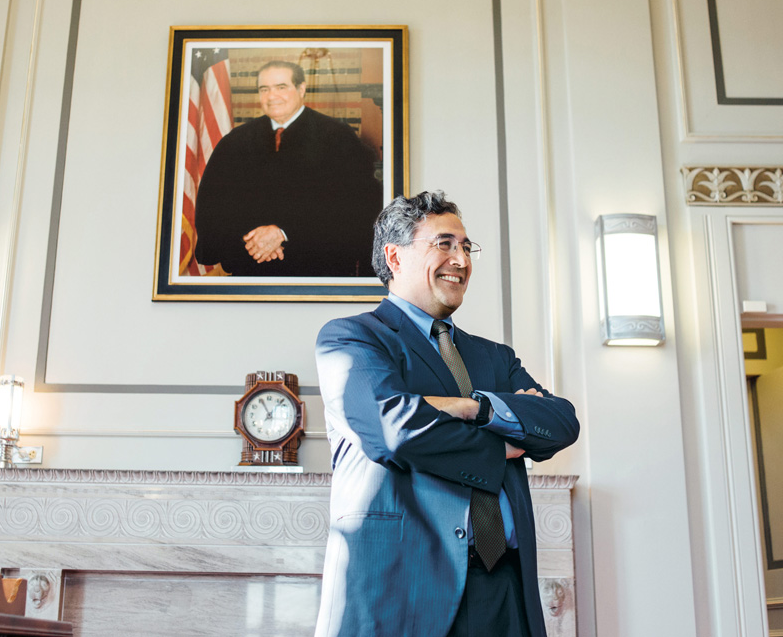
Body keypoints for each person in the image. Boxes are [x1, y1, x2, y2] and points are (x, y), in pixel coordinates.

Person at [314, 191, 580, 637]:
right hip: (401, 590)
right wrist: (504, 444)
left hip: (505, 588)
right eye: (444, 244)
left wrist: (473, 407)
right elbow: (394, 429)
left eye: (465, 246)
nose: (461, 259)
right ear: (394, 257)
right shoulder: (353, 339)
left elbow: (560, 422)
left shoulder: (495, 358)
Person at [194, 61, 382, 277]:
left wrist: (283, 233)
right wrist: (251, 247)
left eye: (281, 87)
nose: (272, 96)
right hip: (247, 270)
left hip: (316, 271)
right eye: (264, 89)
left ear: (301, 89)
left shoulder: (338, 138)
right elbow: (213, 206)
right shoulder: (236, 142)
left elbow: (355, 206)